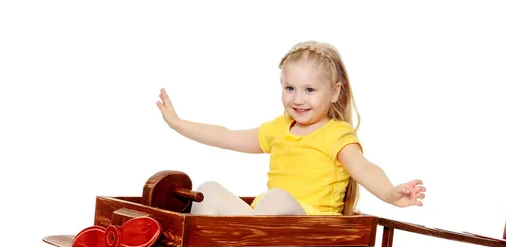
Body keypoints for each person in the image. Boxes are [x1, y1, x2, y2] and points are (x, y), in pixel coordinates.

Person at [156, 40, 425, 216]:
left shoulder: (336, 134)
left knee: (277, 199)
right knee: (209, 190)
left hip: (309, 227)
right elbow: (226, 136)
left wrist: (390, 193)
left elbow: (364, 168)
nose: (298, 99)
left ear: (334, 92)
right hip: (267, 218)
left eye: (309, 90)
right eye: (290, 88)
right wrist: (178, 123)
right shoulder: (279, 129)